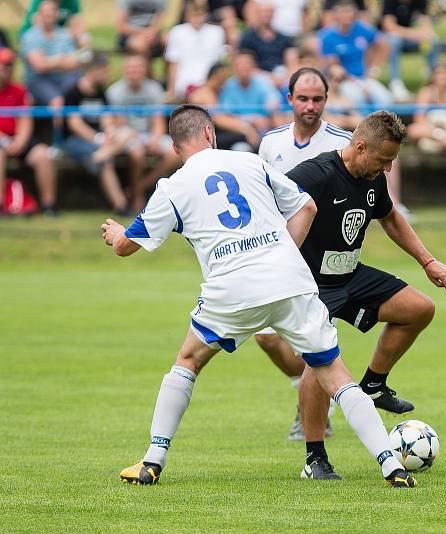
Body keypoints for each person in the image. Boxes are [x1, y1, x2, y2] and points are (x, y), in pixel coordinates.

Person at [103, 103, 417, 489]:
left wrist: (115, 232)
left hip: (232, 287)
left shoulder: (172, 186)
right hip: (290, 278)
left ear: (174, 148)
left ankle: (152, 461)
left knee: (188, 360)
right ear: (210, 134)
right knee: (335, 374)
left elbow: (126, 247)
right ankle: (391, 466)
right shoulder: (248, 162)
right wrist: (281, 252)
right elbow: (307, 204)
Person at [258, 110, 446, 479]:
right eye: (383, 160)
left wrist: (428, 261)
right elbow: (266, 206)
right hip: (313, 285)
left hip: (350, 275)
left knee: (418, 309)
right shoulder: (314, 175)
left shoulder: (372, 175)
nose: (387, 169)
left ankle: (374, 384)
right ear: (360, 147)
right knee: (319, 365)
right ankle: (315, 458)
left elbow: (391, 218)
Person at [255, 67, 358, 442]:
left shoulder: (343, 142)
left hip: (325, 262)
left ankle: (313, 412)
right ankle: (313, 396)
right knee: (266, 337)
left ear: (327, 101)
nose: (310, 106)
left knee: (316, 340)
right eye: (303, 98)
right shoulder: (270, 144)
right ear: (289, 100)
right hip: (283, 256)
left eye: (317, 99)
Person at [63, 53, 137, 215]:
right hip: (76, 141)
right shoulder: (73, 93)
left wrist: (109, 132)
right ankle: (122, 206)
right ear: (93, 71)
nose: (107, 75)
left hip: (99, 140)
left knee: (128, 133)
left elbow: (106, 118)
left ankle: (98, 157)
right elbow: (75, 125)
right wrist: (98, 139)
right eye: (104, 71)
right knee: (107, 163)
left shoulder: (101, 92)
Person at [106, 54, 181, 211]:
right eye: (130, 68)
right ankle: (139, 196)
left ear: (145, 70)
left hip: (149, 134)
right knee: (137, 153)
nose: (134, 71)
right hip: (127, 134)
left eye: (138, 68)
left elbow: (158, 121)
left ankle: (138, 188)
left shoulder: (154, 89)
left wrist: (154, 139)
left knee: (175, 153)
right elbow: (120, 124)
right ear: (124, 70)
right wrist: (139, 138)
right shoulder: (115, 91)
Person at [0, 47, 58, 215]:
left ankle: (49, 206)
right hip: (2, 142)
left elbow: (25, 121)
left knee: (43, 154)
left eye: (8, 66)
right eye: (2, 66)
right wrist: (3, 140)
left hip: (18, 140)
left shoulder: (20, 91)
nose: (5, 70)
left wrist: (19, 141)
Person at [318, 0, 394, 107]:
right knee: (357, 100)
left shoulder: (362, 29)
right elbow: (334, 67)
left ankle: (382, 123)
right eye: (344, 13)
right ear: (336, 16)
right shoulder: (328, 36)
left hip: (365, 77)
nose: (347, 16)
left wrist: (374, 67)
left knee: (386, 99)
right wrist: (358, 84)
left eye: (349, 13)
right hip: (344, 81)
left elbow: (384, 44)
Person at [19, 0, 81, 106]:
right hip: (38, 80)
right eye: (46, 11)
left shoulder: (64, 34)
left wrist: (48, 60)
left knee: (80, 85)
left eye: (52, 11)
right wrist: (60, 59)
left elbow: (74, 62)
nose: (49, 14)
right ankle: (57, 123)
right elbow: (39, 66)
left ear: (57, 14)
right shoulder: (30, 36)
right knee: (57, 100)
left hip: (62, 79)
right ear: (39, 14)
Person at [187, 63, 260, 151]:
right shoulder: (206, 94)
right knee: (243, 136)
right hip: (200, 138)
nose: (226, 83)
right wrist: (246, 129)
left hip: (208, 134)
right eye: (224, 78)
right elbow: (218, 119)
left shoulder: (211, 92)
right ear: (217, 77)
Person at [165, 0, 227, 100]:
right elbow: (173, 65)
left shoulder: (217, 32)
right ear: (187, 16)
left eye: (200, 15)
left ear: (206, 15)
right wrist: (172, 91)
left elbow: (219, 65)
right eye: (194, 15)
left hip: (210, 85)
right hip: (185, 86)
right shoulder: (177, 32)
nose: (197, 18)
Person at [380, 0, 440, 102]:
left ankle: (433, 78)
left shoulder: (420, 2)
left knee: (432, 40)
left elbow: (425, 24)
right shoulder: (389, 2)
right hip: (387, 39)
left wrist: (425, 33)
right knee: (394, 40)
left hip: (409, 39)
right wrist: (415, 34)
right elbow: (389, 27)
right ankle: (396, 83)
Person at [219, 50, 283, 134]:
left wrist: (272, 106)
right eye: (239, 64)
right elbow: (226, 113)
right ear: (234, 67)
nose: (243, 67)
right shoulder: (229, 85)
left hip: (264, 125)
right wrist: (250, 120)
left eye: (247, 63)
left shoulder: (263, 81)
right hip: (239, 128)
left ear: (253, 66)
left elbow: (273, 100)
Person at [238, 0, 297, 86]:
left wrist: (287, 78)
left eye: (268, 12)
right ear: (257, 14)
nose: (266, 15)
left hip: (282, 77)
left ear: (273, 13)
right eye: (263, 12)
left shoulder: (284, 38)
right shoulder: (248, 38)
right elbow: (245, 64)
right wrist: (270, 79)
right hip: (257, 79)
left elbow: (292, 62)